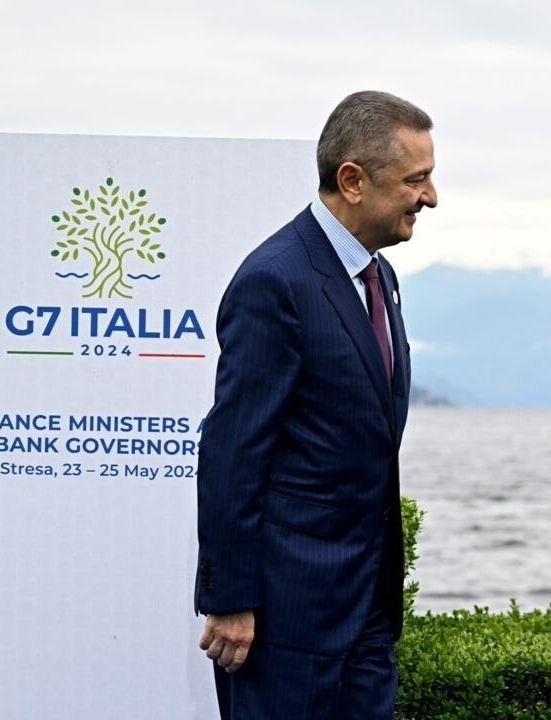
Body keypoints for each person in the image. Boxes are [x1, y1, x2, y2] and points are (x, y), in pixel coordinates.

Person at [194, 90, 437, 719]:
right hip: (286, 618)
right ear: (352, 181)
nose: (431, 197)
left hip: (367, 612)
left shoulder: (380, 277)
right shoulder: (275, 279)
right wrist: (231, 598)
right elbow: (232, 450)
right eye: (415, 180)